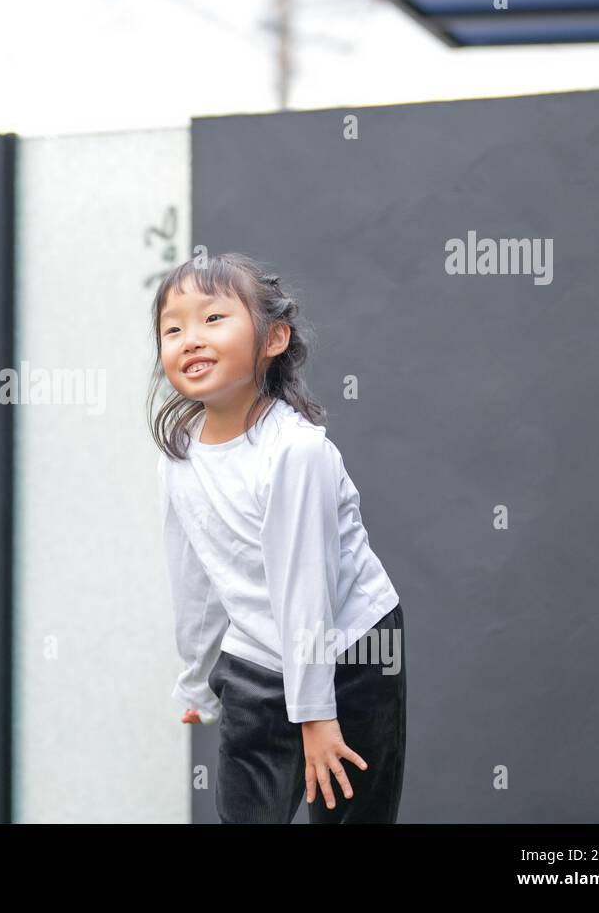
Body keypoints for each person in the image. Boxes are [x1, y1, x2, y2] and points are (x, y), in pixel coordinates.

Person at [150, 251, 407, 824]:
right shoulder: (180, 453)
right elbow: (193, 574)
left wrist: (317, 716)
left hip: (350, 651)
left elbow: (305, 587)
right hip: (257, 655)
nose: (190, 338)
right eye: (173, 328)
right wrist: (196, 678)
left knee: (349, 812)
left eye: (213, 319)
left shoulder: (295, 452)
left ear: (274, 339)